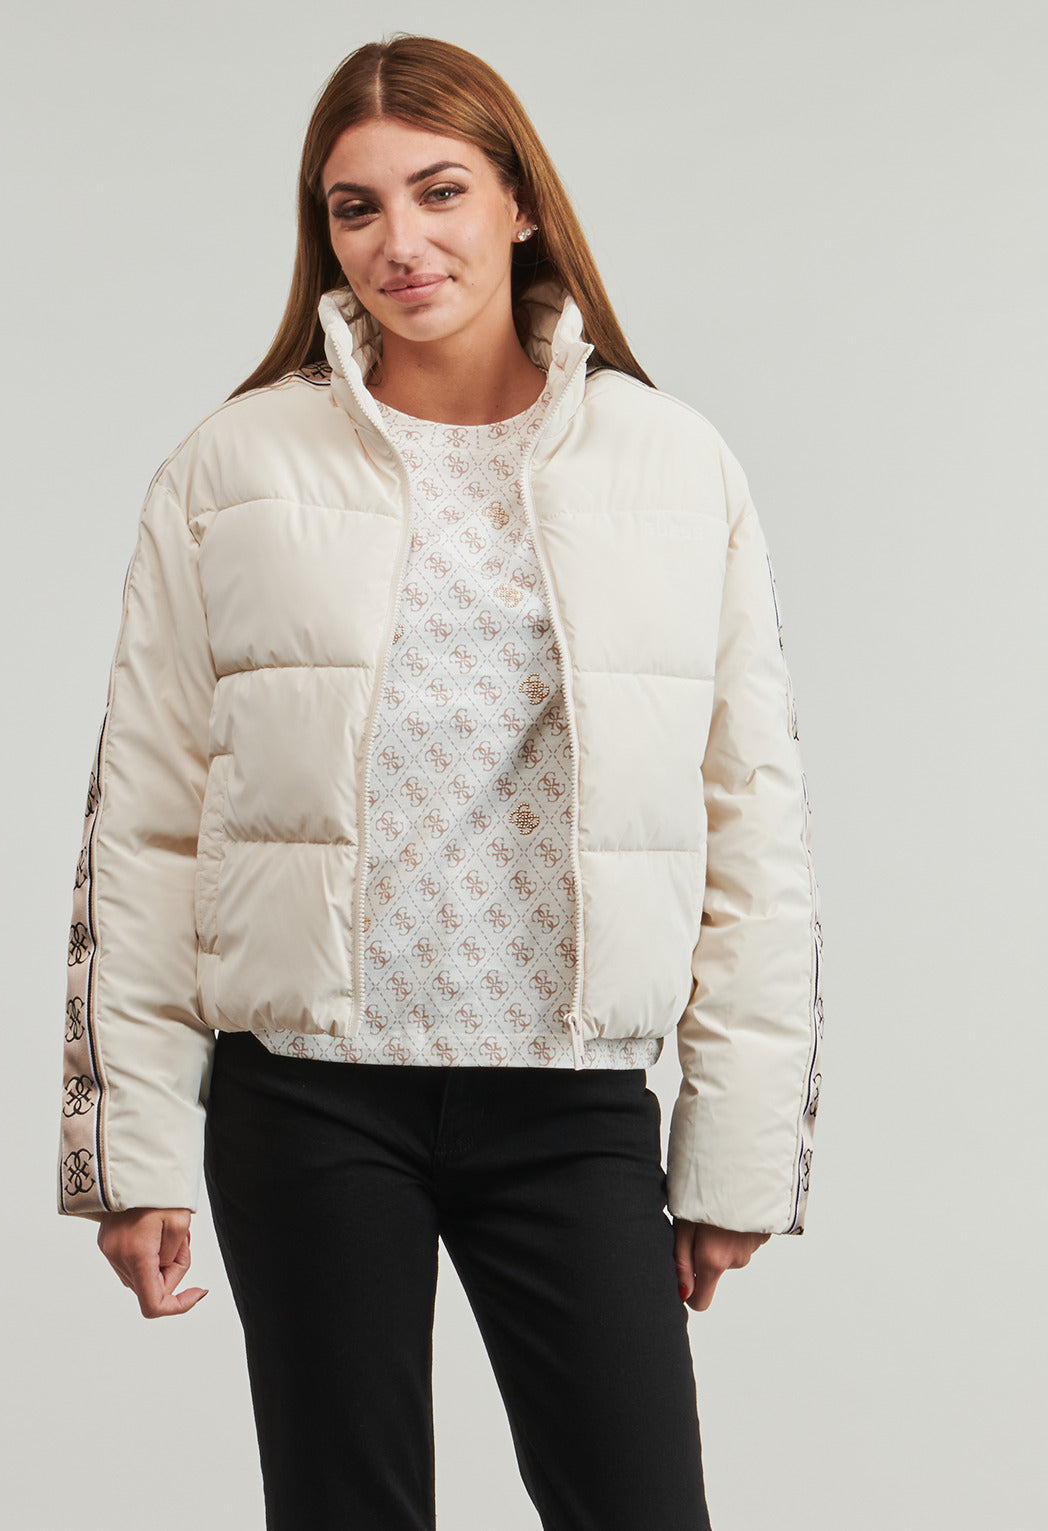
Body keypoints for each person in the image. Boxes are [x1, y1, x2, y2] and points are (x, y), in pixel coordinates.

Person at [57, 32, 824, 1531]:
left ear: (521, 202)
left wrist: (734, 1152)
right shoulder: (232, 469)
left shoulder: (674, 466)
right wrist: (130, 1152)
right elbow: (145, 824)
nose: (400, 242)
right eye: (356, 208)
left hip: (569, 1096)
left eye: (441, 191)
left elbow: (754, 821)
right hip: (309, 1098)